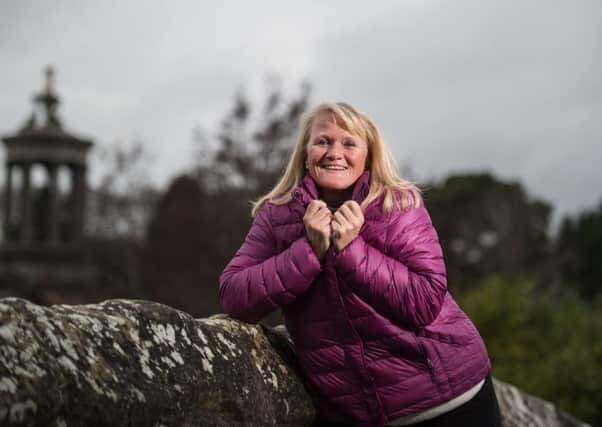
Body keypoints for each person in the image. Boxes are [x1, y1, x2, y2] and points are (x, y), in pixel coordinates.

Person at [219, 102, 501, 427]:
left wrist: (353, 250)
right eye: (323, 141)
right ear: (305, 153)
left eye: (349, 143)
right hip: (356, 415)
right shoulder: (277, 213)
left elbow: (425, 300)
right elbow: (234, 296)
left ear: (367, 155)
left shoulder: (398, 204)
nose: (334, 152)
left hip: (449, 402)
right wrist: (308, 251)